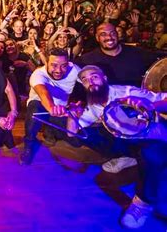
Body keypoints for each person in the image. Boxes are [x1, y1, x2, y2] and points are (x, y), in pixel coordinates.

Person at [67, 65, 167, 229]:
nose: (90, 82)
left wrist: (149, 104)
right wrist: (72, 115)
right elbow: (72, 134)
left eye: (94, 77)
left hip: (156, 140)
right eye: (85, 80)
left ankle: (142, 203)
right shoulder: (94, 105)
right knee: (89, 136)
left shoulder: (127, 92)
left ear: (104, 78)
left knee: (151, 156)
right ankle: (130, 159)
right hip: (131, 142)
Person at [19, 48, 81, 165]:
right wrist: (52, 108)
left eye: (63, 66)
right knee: (35, 109)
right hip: (43, 105)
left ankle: (49, 130)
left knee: (76, 141)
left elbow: (90, 81)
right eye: (54, 65)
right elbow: (43, 93)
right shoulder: (38, 74)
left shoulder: (74, 70)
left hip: (62, 109)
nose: (59, 70)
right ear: (46, 62)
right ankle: (29, 143)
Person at [77, 22, 160, 87]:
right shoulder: (87, 60)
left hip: (136, 104)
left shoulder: (137, 53)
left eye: (112, 33)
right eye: (103, 34)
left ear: (117, 35)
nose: (109, 37)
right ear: (97, 38)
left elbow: (161, 62)